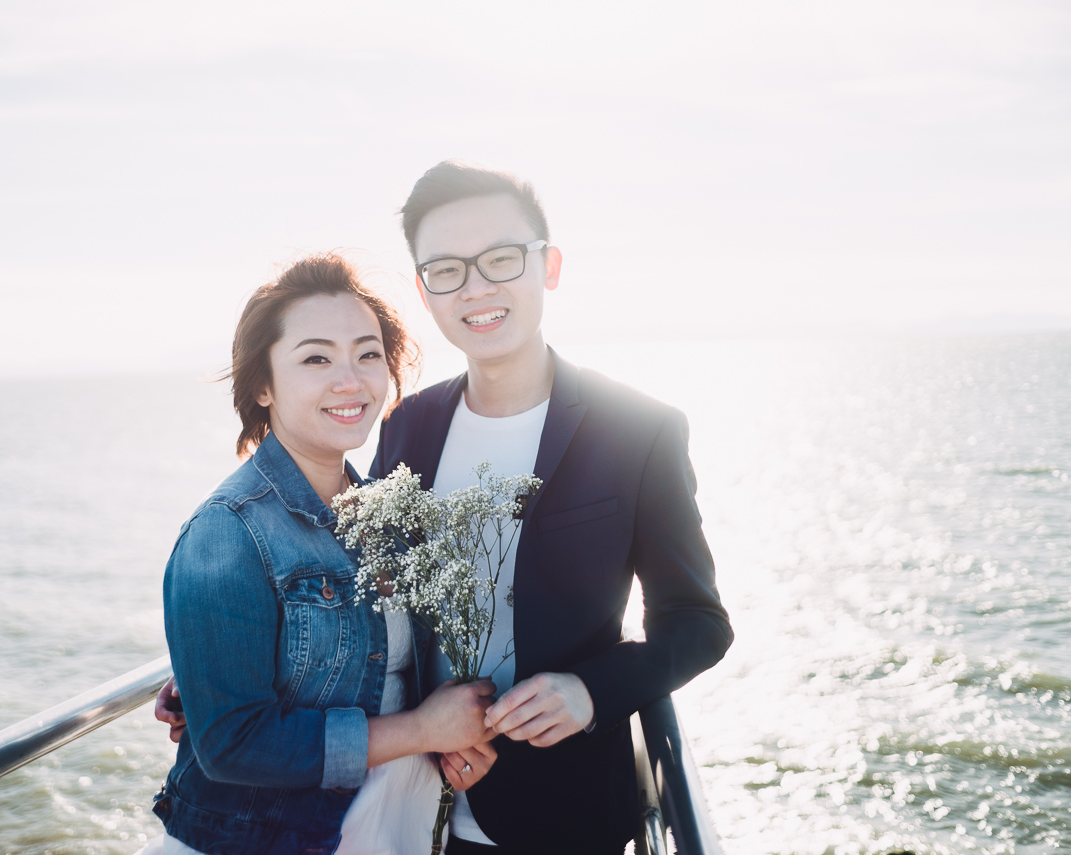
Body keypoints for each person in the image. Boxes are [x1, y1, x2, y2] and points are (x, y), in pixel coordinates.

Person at [160, 162, 734, 854]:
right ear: (424, 291)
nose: (477, 286)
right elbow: (365, 586)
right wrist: (223, 661)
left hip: (562, 812)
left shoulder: (641, 431)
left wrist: (590, 692)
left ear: (548, 267)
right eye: (447, 269)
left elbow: (699, 623)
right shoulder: (407, 426)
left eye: (500, 258)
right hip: (417, 799)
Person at [150, 253, 498, 855]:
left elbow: (387, 673)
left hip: (394, 833)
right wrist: (422, 729)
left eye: (368, 354)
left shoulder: (385, 514)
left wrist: (453, 741)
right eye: (316, 358)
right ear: (262, 384)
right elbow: (232, 745)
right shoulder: (227, 532)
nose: (351, 380)